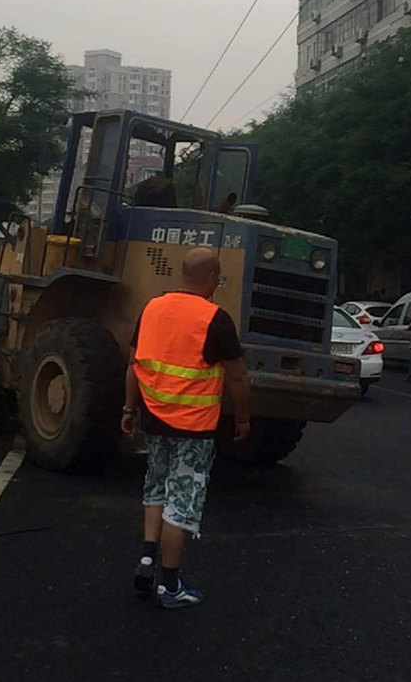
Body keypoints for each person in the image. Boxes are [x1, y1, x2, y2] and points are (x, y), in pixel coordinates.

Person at [121, 247, 251, 609]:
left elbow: (134, 364)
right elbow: (238, 377)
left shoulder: (153, 308)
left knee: (156, 487)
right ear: (211, 279)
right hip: (194, 428)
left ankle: (146, 559)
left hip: (155, 418)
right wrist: (243, 418)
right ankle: (171, 585)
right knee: (182, 502)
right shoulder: (215, 319)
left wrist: (129, 408)